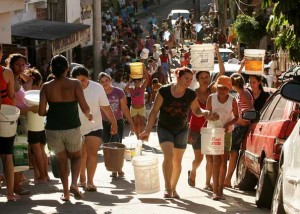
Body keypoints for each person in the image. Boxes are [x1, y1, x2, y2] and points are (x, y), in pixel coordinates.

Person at [140, 67, 210, 199]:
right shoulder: (164, 91)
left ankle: (173, 188)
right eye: (186, 78)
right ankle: (167, 188)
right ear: (178, 77)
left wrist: (204, 112)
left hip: (182, 130)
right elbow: (154, 111)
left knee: (177, 161)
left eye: (190, 79)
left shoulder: (190, 94)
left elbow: (196, 110)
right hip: (164, 128)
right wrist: (147, 129)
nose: (188, 82)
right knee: (169, 156)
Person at [38, 55, 93, 201]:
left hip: (52, 129)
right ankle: (74, 184)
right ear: (67, 69)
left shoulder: (46, 87)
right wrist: (89, 115)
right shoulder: (75, 84)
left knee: (61, 160)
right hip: (72, 127)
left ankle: (66, 193)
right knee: (76, 156)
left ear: (51, 69)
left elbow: (41, 112)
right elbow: (84, 107)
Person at [71, 66, 117, 192]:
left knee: (92, 153)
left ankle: (90, 182)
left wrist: (114, 122)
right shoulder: (70, 88)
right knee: (81, 154)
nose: (81, 83)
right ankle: (82, 178)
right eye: (78, 80)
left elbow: (106, 107)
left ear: (89, 78)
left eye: (83, 80)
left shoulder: (97, 88)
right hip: (76, 126)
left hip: (94, 125)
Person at [187, 44, 225, 190]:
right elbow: (190, 112)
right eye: (202, 77)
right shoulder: (193, 92)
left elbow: (221, 72)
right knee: (199, 158)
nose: (205, 79)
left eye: (207, 76)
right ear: (197, 79)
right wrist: (188, 130)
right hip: (196, 128)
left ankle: (207, 183)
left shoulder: (212, 89)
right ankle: (193, 172)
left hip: (210, 129)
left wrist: (217, 52)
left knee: (210, 158)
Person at [206, 75, 239, 200]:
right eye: (220, 88)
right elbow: (206, 115)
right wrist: (211, 116)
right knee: (216, 160)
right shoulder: (211, 98)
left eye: (225, 88)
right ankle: (215, 191)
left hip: (227, 133)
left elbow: (237, 117)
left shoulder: (232, 101)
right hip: (213, 132)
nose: (222, 90)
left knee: (223, 159)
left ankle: (221, 190)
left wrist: (228, 124)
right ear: (216, 87)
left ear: (229, 89)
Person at [98, 72, 135, 178]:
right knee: (108, 146)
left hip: (118, 121)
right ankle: (114, 168)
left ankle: (118, 168)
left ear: (110, 80)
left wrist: (131, 122)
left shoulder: (118, 92)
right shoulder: (99, 93)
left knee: (117, 145)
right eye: (102, 81)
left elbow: (124, 108)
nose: (105, 83)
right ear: (99, 83)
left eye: (106, 80)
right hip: (104, 123)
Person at [224, 73, 254, 188]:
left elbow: (251, 109)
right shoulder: (242, 93)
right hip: (237, 126)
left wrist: (243, 115)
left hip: (240, 127)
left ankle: (227, 179)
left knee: (232, 152)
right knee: (232, 153)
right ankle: (227, 179)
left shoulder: (244, 94)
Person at [0, 44, 19, 201]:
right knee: (7, 155)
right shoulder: (6, 72)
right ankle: (10, 193)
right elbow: (12, 95)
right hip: (5, 118)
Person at [24, 68, 49, 183]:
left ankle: (42, 175)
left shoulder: (27, 91)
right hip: (42, 125)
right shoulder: (42, 91)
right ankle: (43, 175)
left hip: (32, 126)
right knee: (41, 151)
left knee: (36, 151)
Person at [125, 68, 149, 139]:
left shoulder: (142, 88)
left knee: (142, 123)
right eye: (135, 82)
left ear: (140, 83)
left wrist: (144, 69)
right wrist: (129, 81)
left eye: (138, 82)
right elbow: (126, 89)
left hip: (141, 108)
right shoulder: (131, 90)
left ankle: (141, 136)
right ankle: (138, 137)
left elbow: (147, 79)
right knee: (136, 124)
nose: (137, 83)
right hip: (133, 108)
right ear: (134, 83)